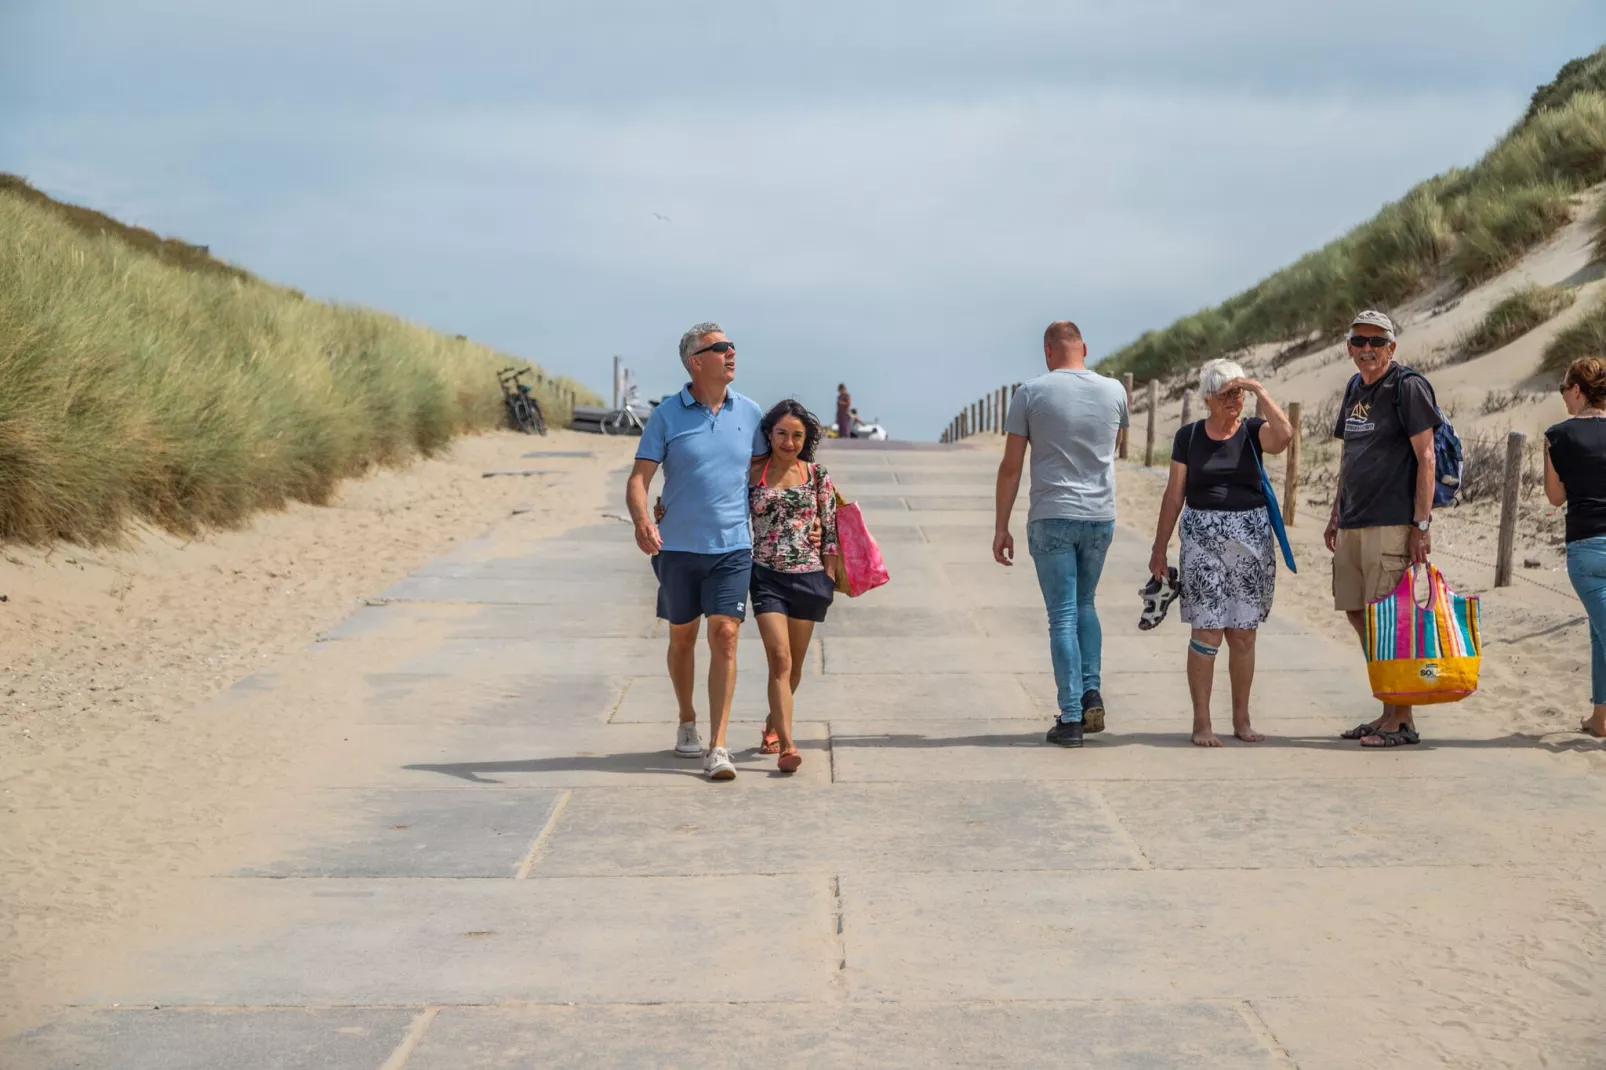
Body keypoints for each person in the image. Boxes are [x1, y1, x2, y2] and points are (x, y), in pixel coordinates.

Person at [625, 322, 767, 782]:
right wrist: (644, 519)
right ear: (695, 361)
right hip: (679, 548)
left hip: (733, 547)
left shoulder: (751, 413)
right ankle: (687, 719)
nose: (731, 353)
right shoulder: (667, 415)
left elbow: (766, 469)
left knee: (725, 635)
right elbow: (638, 480)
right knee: (682, 637)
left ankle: (718, 744)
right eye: (719, 348)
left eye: (732, 346)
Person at [994, 320, 1129, 747]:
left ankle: (1071, 716)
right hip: (1100, 514)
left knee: (1062, 616)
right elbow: (1114, 448)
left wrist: (1001, 526)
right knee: (1086, 605)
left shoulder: (1031, 393)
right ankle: (1091, 689)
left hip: (1052, 514)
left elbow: (1011, 466)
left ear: (1048, 351)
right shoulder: (1114, 391)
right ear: (1084, 348)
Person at [1149, 360, 1294, 746]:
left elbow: (1285, 436)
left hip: (1250, 538)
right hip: (1201, 538)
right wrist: (1159, 549)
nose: (1235, 400)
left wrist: (1260, 390)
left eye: (1239, 393)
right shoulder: (1189, 436)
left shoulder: (1251, 431)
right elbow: (1174, 494)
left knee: (1243, 633)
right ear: (1208, 399)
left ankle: (1242, 720)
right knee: (1208, 629)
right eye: (1227, 394)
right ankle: (1202, 723)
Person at [1324, 310, 1442, 748]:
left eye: (1376, 342)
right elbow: (1349, 455)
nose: (1367, 350)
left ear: (1392, 347)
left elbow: (1426, 457)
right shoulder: (1355, 387)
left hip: (1392, 523)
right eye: (1359, 342)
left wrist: (1421, 525)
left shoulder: (1407, 387)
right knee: (1360, 614)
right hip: (1354, 520)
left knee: (1390, 619)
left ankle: (1403, 718)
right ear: (1349, 347)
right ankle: (1389, 708)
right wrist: (1336, 511)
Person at [748, 400, 839, 773]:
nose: (789, 442)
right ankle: (788, 745)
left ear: (807, 438)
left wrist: (828, 579)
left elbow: (830, 531)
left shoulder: (816, 474)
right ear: (769, 434)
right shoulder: (751, 471)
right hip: (765, 576)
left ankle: (772, 725)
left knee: (795, 666)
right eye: (782, 433)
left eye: (797, 435)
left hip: (809, 577)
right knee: (780, 660)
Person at [1543, 356, 1606, 737]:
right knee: (1598, 635)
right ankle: (1600, 718)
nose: (1564, 397)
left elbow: (1554, 498)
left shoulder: (1557, 435)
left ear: (1578, 391)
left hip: (1585, 548)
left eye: (1564, 389)